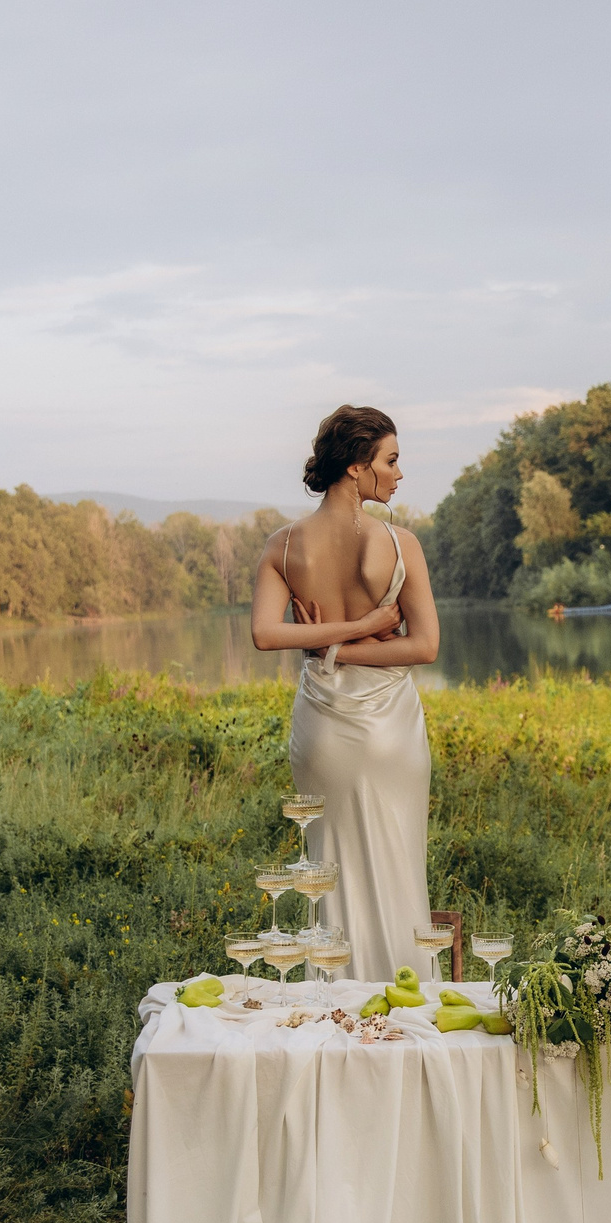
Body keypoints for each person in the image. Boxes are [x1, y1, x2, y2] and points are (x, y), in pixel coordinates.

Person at [250, 405, 441, 980]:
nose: (400, 474)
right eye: (391, 460)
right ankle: (405, 1001)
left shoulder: (284, 546)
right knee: (400, 861)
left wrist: (330, 646)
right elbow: (423, 646)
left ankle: (332, 1001)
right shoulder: (400, 542)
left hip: (321, 725)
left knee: (327, 866)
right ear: (357, 468)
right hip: (390, 727)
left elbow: (266, 635)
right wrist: (361, 628)